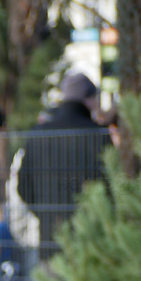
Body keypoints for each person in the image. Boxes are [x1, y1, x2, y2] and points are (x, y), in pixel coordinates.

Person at [16, 71, 111, 246]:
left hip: (51, 238)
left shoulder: (38, 134)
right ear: (88, 99)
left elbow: (23, 186)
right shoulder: (99, 135)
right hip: (91, 242)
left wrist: (46, 214)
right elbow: (110, 186)